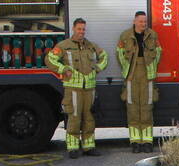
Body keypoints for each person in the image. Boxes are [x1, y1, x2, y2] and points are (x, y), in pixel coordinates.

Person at [46, 18, 109, 158]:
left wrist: (97, 68)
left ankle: (89, 147)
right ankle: (73, 148)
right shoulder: (63, 46)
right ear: (73, 29)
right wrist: (63, 69)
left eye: (83, 29)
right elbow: (49, 59)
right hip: (73, 88)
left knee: (89, 118)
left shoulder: (91, 46)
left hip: (89, 88)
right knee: (74, 118)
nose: (81, 32)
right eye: (79, 29)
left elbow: (104, 56)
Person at [117, 11, 162, 153]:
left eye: (145, 22)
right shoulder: (125, 36)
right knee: (132, 108)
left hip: (147, 74)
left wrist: (152, 69)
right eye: (141, 21)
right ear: (134, 21)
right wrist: (127, 69)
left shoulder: (152, 35)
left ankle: (147, 142)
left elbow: (159, 52)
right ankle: (135, 141)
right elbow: (119, 53)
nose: (143, 24)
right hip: (131, 75)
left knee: (147, 108)